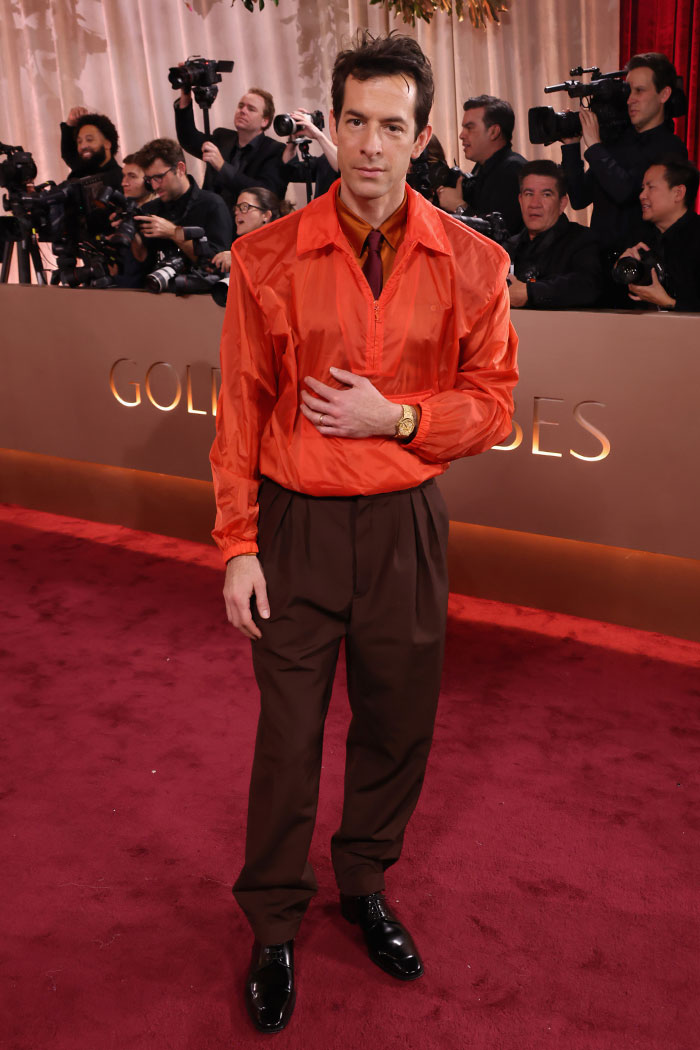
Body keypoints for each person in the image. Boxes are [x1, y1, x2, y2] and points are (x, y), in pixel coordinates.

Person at [210, 31, 518, 1035]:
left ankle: (364, 883)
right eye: (355, 121)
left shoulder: (474, 261)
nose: (371, 144)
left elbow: (494, 405)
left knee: (396, 725)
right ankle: (271, 926)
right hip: (293, 528)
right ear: (331, 126)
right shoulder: (264, 258)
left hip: (404, 526)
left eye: (393, 125)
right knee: (287, 742)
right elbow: (238, 412)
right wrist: (238, 545)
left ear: (422, 136)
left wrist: (399, 418)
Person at [560, 53, 688, 254]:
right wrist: (571, 146)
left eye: (640, 91)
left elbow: (625, 192)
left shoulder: (671, 148)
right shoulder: (616, 141)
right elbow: (578, 198)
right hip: (599, 263)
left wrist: (594, 146)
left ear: (663, 95)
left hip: (639, 263)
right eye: (629, 91)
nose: (630, 100)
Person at [128, 138, 233, 280]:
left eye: (159, 177)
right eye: (149, 179)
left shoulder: (212, 204)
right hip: (156, 294)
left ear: (180, 169)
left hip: (201, 296)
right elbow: (142, 262)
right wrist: (130, 233)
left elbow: (215, 265)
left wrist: (173, 233)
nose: (154, 186)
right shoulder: (150, 209)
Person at [505, 160, 603, 309]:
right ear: (520, 200)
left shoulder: (582, 240)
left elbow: (587, 286)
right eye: (529, 194)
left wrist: (531, 292)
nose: (534, 203)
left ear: (562, 203)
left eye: (546, 194)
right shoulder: (508, 247)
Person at [174, 82, 287, 207]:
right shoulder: (222, 137)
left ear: (264, 121)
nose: (243, 111)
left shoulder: (275, 150)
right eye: (241, 106)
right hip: (211, 218)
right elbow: (189, 139)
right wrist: (185, 97)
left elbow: (266, 194)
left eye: (251, 109)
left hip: (248, 222)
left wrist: (222, 167)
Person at [616, 156, 700, 312]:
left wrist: (669, 303)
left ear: (678, 193)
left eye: (651, 187)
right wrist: (622, 270)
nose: (642, 195)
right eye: (642, 188)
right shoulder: (640, 238)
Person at [436, 95, 527, 234]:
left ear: (493, 132)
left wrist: (458, 206)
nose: (462, 135)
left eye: (469, 128)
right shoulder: (482, 167)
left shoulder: (512, 170)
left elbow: (501, 236)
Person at [211, 187, 292, 273]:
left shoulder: (282, 247)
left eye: (244, 207)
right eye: (236, 208)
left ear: (266, 215)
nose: (237, 212)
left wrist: (239, 259)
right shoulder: (242, 248)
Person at [280, 109, 339, 198]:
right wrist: (293, 137)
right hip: (320, 211)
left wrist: (318, 135)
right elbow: (291, 172)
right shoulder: (325, 160)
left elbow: (343, 168)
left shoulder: (359, 159)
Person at [59, 107, 122, 189]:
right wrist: (70, 124)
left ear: (107, 144)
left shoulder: (122, 180)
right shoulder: (80, 172)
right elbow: (69, 154)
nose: (83, 146)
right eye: (79, 142)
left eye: (89, 140)